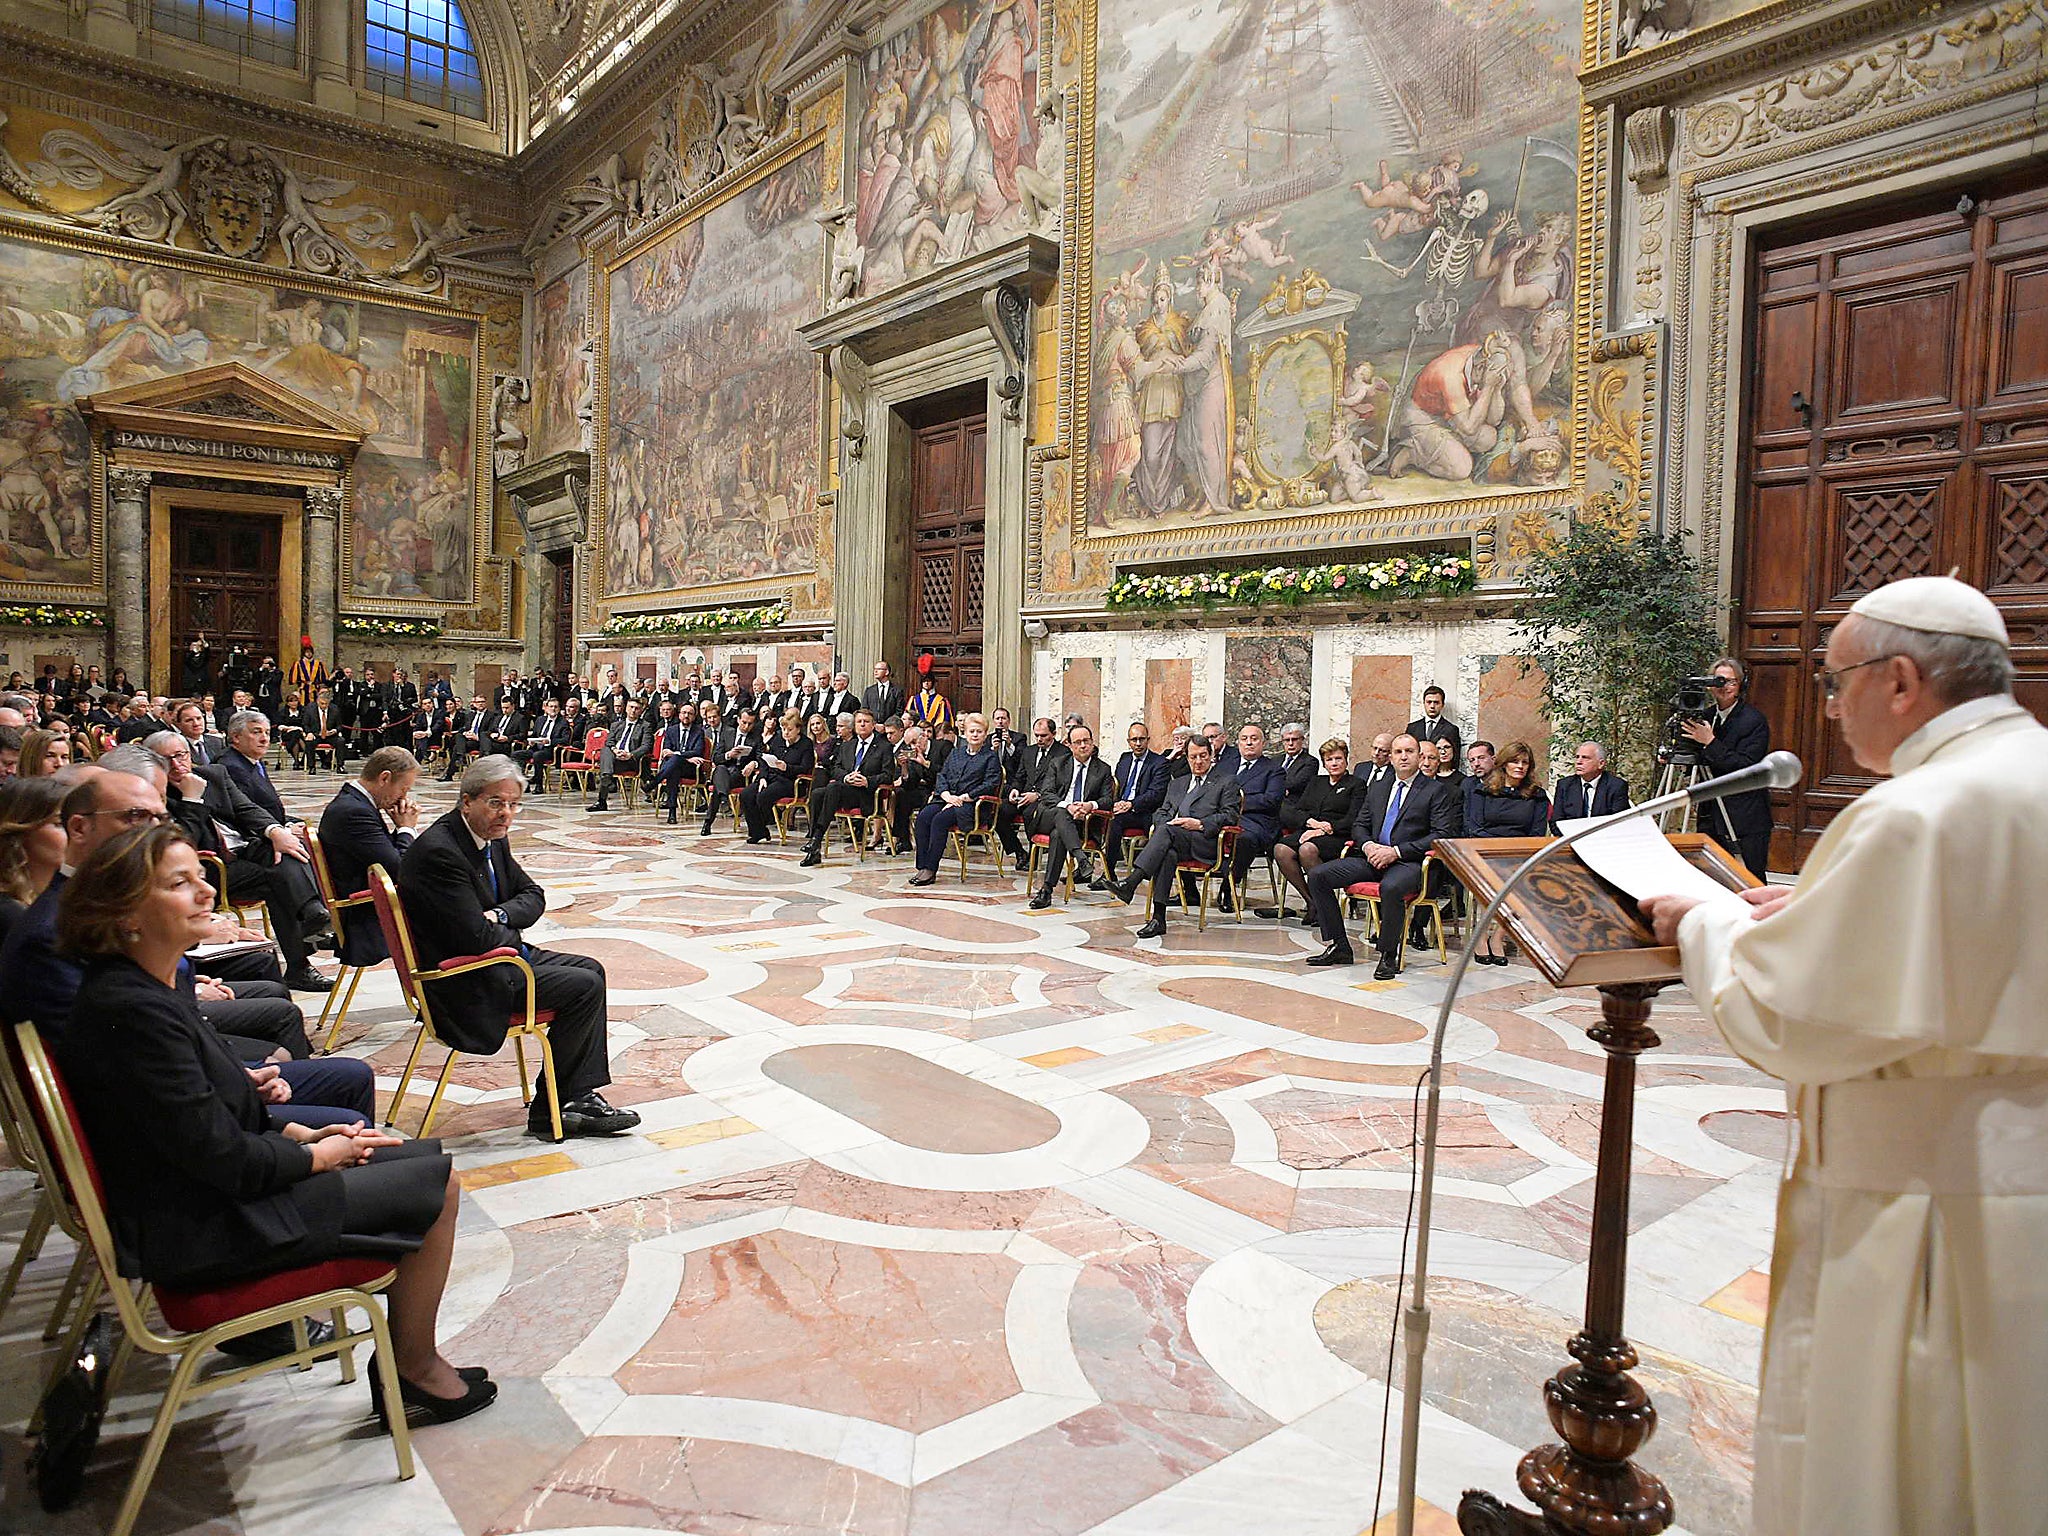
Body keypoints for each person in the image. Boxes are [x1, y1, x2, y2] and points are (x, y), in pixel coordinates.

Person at [1640, 575, 2048, 1535]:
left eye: (1836, 682)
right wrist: (1819, 914)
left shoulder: (1916, 812)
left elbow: (1793, 1018)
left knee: (1907, 1463)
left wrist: (1707, 921)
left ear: (1900, 680)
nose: (1828, 707)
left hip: (1929, 1211)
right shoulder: (2023, 774)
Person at [53, 822, 494, 1422]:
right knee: (433, 1185)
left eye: (201, 876)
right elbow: (221, 1157)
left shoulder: (146, 987)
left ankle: (407, 1360)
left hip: (205, 1195)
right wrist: (317, 1158)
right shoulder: (133, 1011)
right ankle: (414, 1368)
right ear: (125, 913)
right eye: (181, 884)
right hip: (207, 1226)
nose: (207, 891)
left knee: (408, 1156)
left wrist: (300, 1133)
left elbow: (202, 1112)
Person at [398, 757, 640, 1141]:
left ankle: (572, 1097)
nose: (506, 813)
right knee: (583, 987)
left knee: (591, 969)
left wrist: (498, 916)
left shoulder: (491, 838)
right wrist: (503, 926)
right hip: (464, 978)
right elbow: (474, 939)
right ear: (466, 802)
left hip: (496, 956)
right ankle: (551, 1111)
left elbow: (533, 895)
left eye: (513, 804)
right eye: (495, 802)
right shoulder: (440, 852)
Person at [150, 729, 332, 993]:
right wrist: (191, 799)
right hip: (208, 869)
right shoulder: (157, 794)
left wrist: (275, 831)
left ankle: (314, 916)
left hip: (244, 849)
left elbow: (246, 808)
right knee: (277, 879)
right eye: (168, 760)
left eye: (182, 755)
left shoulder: (213, 774)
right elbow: (182, 845)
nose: (178, 764)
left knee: (290, 849)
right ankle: (309, 935)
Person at [1304, 733, 1458, 977]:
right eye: (1398, 752)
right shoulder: (1379, 786)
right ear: (1391, 757)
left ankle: (1388, 955)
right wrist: (1368, 846)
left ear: (1419, 756)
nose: (1403, 757)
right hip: (1373, 857)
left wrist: (1395, 852)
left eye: (1409, 751)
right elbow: (1360, 824)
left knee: (1391, 887)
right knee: (1318, 876)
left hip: (1409, 862)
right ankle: (1339, 946)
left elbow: (1440, 834)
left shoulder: (1434, 790)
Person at [1106, 736, 1242, 937]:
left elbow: (1230, 814)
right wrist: (1166, 825)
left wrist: (1199, 824)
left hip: (1205, 840)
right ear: (1186, 757)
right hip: (1173, 838)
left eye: (1203, 756)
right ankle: (1158, 918)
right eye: (1193, 757)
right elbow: (1161, 812)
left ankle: (1132, 882)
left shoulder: (1226, 781)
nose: (1198, 762)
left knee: (1167, 835)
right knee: (1167, 852)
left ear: (1211, 756)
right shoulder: (1178, 783)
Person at [316, 746, 421, 965]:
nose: (404, 797)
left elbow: (383, 853)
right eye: (403, 789)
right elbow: (398, 869)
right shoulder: (354, 812)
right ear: (385, 778)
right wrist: (406, 829)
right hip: (365, 916)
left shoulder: (355, 802)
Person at [1679, 656, 1773, 877]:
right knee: (1712, 877)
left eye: (1730, 682)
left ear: (1741, 685)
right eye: (1719, 681)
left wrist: (1710, 743)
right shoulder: (1705, 716)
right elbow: (1699, 758)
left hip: (1745, 816)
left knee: (1749, 879)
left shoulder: (1754, 720)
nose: (1724, 687)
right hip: (1711, 813)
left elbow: (1746, 767)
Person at [1464, 740, 1549, 964]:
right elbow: (1475, 828)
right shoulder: (1482, 791)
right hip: (1486, 852)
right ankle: (1481, 936)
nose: (1520, 766)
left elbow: (1537, 833)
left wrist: (1514, 852)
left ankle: (1498, 937)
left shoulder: (1537, 795)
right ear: (1503, 764)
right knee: (1492, 876)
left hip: (1519, 855)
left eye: (1525, 763)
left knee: (1521, 879)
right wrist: (1498, 849)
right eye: (1515, 761)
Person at [1260, 738, 1357, 921]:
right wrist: (1312, 823)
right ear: (1324, 763)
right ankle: (1313, 901)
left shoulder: (1356, 784)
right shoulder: (1316, 782)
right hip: (1310, 831)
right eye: (1329, 760)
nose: (1334, 763)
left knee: (1307, 849)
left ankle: (1324, 905)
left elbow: (1354, 818)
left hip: (1338, 836)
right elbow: (1296, 811)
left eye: (1338, 758)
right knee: (1281, 849)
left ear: (1346, 760)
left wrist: (1325, 829)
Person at [1026, 725, 1114, 908]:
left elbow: (1108, 800)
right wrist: (1069, 807)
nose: (1083, 746)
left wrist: (1090, 805)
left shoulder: (1103, 769)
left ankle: (1046, 890)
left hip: (1083, 823)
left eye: (1086, 741)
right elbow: (1047, 793)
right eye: (1078, 742)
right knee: (1061, 813)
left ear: (1092, 742)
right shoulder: (1058, 763)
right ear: (1070, 745)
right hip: (1050, 817)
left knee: (1059, 835)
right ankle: (1081, 858)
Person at [909, 712, 998, 886]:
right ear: (964, 733)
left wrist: (965, 797)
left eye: (979, 732)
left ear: (985, 734)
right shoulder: (956, 753)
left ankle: (931, 869)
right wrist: (945, 795)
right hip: (947, 799)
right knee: (923, 817)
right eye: (971, 731)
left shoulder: (990, 757)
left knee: (939, 820)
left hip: (971, 806)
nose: (975, 735)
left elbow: (991, 783)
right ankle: (922, 866)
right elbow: (942, 775)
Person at [801, 708, 893, 864]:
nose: (862, 725)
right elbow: (835, 769)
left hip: (866, 795)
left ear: (873, 725)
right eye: (859, 721)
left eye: (866, 722)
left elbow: (888, 775)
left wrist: (867, 781)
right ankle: (814, 843)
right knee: (817, 794)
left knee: (832, 788)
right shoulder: (848, 746)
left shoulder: (884, 747)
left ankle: (816, 841)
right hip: (844, 791)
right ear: (855, 725)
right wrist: (846, 777)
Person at [1219, 723, 1286, 911]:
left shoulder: (1274, 769)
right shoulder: (1226, 766)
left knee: (1243, 839)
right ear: (1238, 743)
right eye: (1244, 739)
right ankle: (1190, 889)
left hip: (1258, 822)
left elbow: (1270, 801)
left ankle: (1229, 886)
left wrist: (1236, 801)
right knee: (1190, 830)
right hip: (1224, 817)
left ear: (1263, 743)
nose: (1249, 743)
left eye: (1254, 739)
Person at [1094, 722, 1168, 890]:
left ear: (1148, 740)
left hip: (1146, 812)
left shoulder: (1159, 762)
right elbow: (1117, 786)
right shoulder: (1124, 759)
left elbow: (1156, 794)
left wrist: (1131, 804)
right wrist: (1117, 803)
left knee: (1116, 820)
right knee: (1108, 818)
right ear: (1128, 741)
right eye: (1134, 739)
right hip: (1123, 810)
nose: (1138, 743)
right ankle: (1107, 872)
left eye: (1142, 739)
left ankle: (1116, 872)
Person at [0, 773, 67, 944]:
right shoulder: (10, 915)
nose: (76, 834)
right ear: (21, 830)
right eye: (60, 824)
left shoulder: (66, 895)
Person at [999, 718, 1070, 868]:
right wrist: (1014, 789)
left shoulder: (1063, 753)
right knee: (999, 811)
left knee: (1031, 813)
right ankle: (1018, 851)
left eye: (1043, 735)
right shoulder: (1029, 751)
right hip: (1023, 796)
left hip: (1045, 799)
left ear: (1054, 734)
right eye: (1036, 735)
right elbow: (1020, 776)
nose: (1039, 739)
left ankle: (1033, 856)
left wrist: (1037, 795)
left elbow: (1061, 784)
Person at [741, 711, 812, 844]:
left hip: (790, 782)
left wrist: (787, 767)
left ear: (798, 729)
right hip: (771, 777)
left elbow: (805, 768)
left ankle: (765, 826)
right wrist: (762, 777)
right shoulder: (778, 739)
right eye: (784, 728)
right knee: (746, 794)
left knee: (763, 797)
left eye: (790, 729)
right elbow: (764, 760)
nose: (786, 732)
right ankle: (758, 831)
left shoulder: (806, 744)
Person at [701, 707, 761, 835]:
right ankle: (723, 795)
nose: (746, 726)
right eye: (744, 722)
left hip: (741, 774)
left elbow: (761, 757)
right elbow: (716, 758)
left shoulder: (756, 737)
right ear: (738, 720)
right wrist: (728, 755)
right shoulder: (727, 733)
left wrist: (753, 763)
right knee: (720, 768)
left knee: (718, 786)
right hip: (725, 769)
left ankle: (709, 821)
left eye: (750, 723)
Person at [587, 698, 651, 812]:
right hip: (615, 758)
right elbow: (609, 741)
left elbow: (646, 746)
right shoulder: (616, 725)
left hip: (631, 761)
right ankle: (606, 780)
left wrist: (630, 754)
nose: (633, 711)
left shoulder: (645, 726)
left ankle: (603, 791)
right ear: (626, 708)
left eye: (636, 709)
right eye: (631, 707)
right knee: (606, 749)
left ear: (641, 711)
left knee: (606, 762)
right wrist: (615, 750)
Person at [1548, 740, 1629, 827]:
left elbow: (1619, 823)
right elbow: (1556, 822)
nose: (1579, 762)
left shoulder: (1616, 786)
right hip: (1571, 837)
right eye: (1577, 757)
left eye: (1585, 758)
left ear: (1601, 764)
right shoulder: (1565, 785)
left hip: (1602, 837)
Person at [521, 696, 571, 791]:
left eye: (556, 707)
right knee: (516, 755)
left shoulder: (563, 722)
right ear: (546, 708)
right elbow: (534, 734)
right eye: (551, 706)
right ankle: (524, 783)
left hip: (551, 751)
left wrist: (550, 741)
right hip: (536, 748)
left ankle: (538, 785)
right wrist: (531, 741)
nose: (553, 709)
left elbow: (565, 740)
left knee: (537, 756)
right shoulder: (540, 720)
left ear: (559, 709)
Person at [1406, 685, 1463, 767]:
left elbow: (1455, 759)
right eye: (1429, 702)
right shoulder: (1412, 728)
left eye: (1436, 702)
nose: (1432, 706)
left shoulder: (1451, 729)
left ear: (1442, 704)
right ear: (1424, 703)